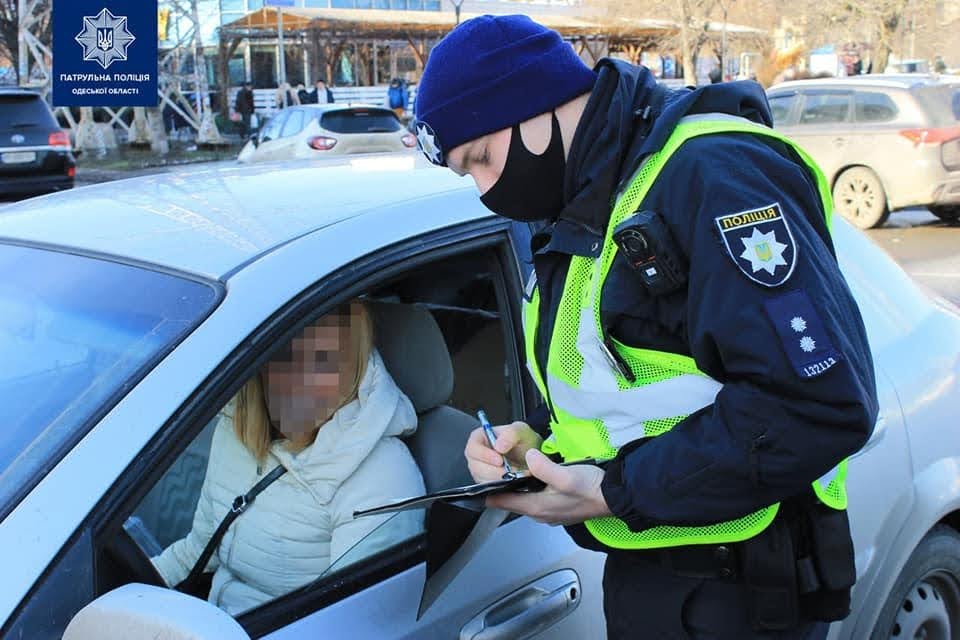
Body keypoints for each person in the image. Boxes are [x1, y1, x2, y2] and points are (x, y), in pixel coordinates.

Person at [413, 15, 877, 639]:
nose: (485, 189)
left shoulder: (713, 176)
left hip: (742, 589)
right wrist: (540, 452)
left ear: (534, 105)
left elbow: (820, 403)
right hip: (658, 575)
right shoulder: (583, 207)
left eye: (483, 158)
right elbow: (632, 393)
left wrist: (614, 490)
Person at [152, 301, 424, 615]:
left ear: (354, 369)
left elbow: (348, 622)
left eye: (323, 360)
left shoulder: (384, 476)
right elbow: (197, 553)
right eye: (285, 355)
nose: (300, 379)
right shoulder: (236, 428)